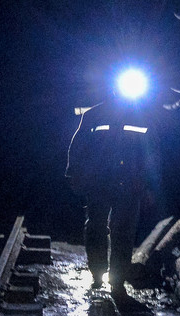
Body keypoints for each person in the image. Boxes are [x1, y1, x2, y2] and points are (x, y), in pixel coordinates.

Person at [66, 75, 159, 294]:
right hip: (99, 182)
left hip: (129, 183)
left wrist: (148, 184)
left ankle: (117, 280)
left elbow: (152, 153)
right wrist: (73, 172)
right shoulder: (93, 115)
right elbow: (78, 145)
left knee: (123, 231)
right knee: (96, 227)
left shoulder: (143, 117)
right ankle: (97, 273)